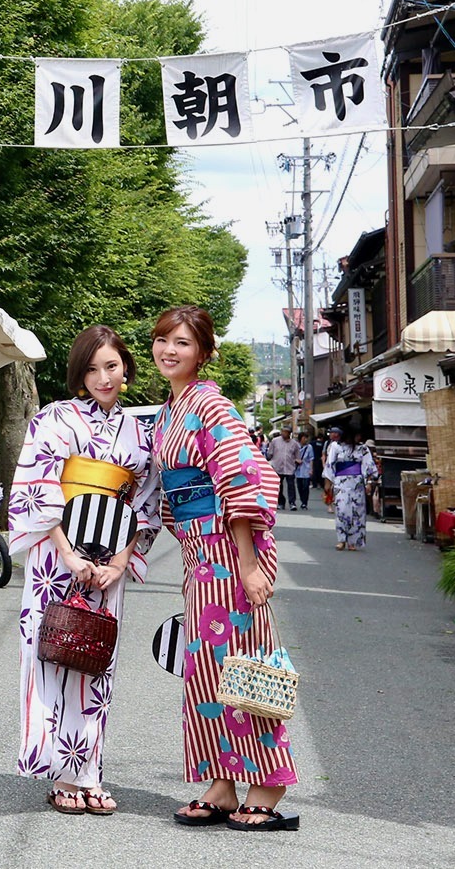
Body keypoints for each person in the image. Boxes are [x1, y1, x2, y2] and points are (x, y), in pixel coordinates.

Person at [150, 305, 300, 832]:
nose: (170, 350)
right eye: (164, 340)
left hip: (229, 553)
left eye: (184, 343)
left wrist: (248, 561)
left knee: (248, 663)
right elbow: (171, 493)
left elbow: (239, 478)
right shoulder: (170, 411)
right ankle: (221, 780)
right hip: (199, 554)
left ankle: (269, 781)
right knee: (207, 671)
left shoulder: (211, 406)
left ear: (204, 352)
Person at [9, 326, 161, 817]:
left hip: (109, 562)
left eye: (112, 366)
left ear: (125, 368)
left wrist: (118, 562)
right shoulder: (53, 418)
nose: (103, 377)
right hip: (57, 558)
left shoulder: (140, 433)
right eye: (92, 369)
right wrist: (69, 555)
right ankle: (59, 774)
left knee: (95, 660)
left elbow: (144, 501)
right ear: (79, 374)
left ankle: (90, 771)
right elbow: (39, 485)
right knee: (51, 655)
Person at [326, 427, 378, 551]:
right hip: (340, 482)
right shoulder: (335, 446)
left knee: (357, 511)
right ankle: (341, 539)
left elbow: (368, 466)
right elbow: (330, 465)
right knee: (342, 510)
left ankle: (353, 541)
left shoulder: (363, 449)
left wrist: (369, 483)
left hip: (357, 483)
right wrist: (328, 483)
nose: (358, 438)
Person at [265, 426, 299, 511]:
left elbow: (297, 456)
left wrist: (297, 461)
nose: (283, 433)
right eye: (283, 431)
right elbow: (270, 453)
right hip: (277, 467)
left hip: (289, 468)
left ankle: (292, 503)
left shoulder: (294, 443)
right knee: (279, 486)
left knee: (291, 486)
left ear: (289, 433)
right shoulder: (275, 441)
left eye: (286, 432)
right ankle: (281, 502)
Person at [295, 431, 316, 511]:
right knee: (299, 486)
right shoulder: (296, 446)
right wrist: (296, 460)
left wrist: (311, 469)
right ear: (300, 438)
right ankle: (302, 500)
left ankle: (304, 503)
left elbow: (311, 459)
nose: (306, 439)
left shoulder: (309, 447)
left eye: (306, 438)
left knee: (306, 486)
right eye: (304, 438)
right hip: (298, 469)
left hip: (306, 468)